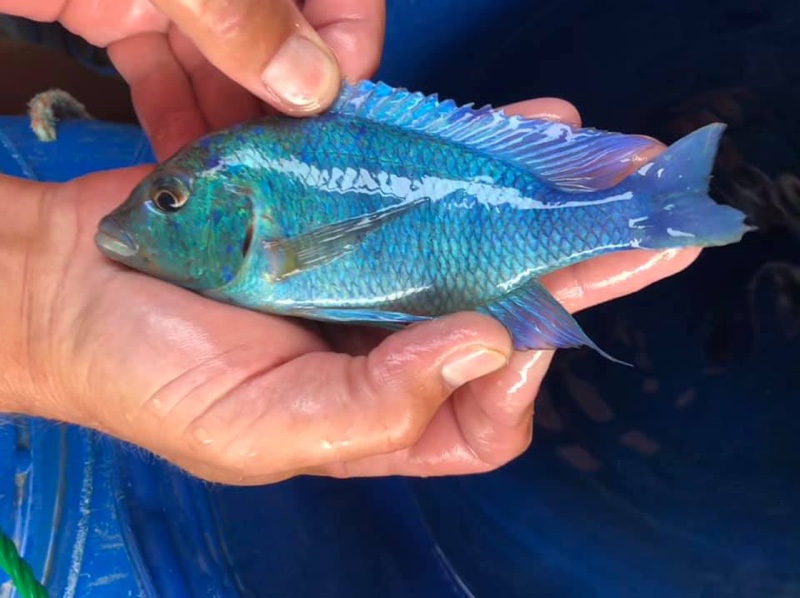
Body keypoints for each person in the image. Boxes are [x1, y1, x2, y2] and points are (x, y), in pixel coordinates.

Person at [0, 0, 699, 485]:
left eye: (168, 202)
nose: (146, 217)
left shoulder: (265, 233)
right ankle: (652, 208)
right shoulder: (248, 182)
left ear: (241, 211)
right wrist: (37, 321)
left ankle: (640, 209)